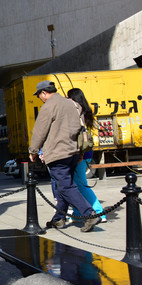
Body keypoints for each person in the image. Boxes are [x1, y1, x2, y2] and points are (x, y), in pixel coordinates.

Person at [28, 80, 100, 233]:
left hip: (57, 153)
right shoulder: (72, 104)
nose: (40, 98)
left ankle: (89, 214)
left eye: (39, 95)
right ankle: (58, 219)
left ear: (44, 93)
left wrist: (33, 151)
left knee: (66, 186)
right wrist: (80, 152)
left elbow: (39, 131)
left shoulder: (48, 107)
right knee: (63, 186)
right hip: (73, 152)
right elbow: (80, 130)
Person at [67, 88, 106, 223]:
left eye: (69, 98)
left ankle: (99, 212)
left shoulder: (77, 113)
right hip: (87, 152)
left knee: (81, 184)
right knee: (77, 185)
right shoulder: (86, 112)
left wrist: (80, 155)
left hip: (81, 154)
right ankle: (79, 212)